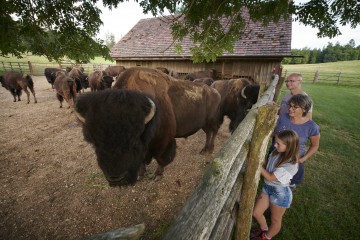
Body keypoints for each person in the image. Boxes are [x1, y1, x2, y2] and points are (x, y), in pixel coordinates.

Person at [251, 130, 300, 240]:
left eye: (278, 144)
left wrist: (256, 164)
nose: (274, 145)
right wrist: (260, 159)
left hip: (280, 194)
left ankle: (266, 237)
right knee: (256, 212)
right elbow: (269, 164)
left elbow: (270, 177)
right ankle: (264, 229)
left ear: (289, 146)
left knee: (276, 220)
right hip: (268, 188)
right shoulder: (276, 152)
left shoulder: (291, 164)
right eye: (275, 142)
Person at [274, 94, 320, 188]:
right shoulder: (283, 117)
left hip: (294, 160)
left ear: (304, 109)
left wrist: (303, 159)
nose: (290, 109)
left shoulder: (312, 127)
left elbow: (315, 145)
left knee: (287, 185)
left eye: (295, 107)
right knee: (272, 181)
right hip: (276, 155)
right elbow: (275, 133)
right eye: (290, 105)